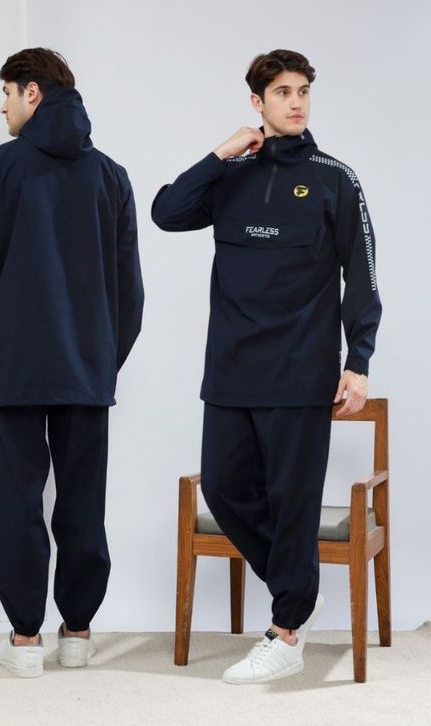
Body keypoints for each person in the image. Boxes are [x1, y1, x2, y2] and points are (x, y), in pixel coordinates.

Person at [152, 49, 381, 684]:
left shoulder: (336, 179)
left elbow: (362, 277)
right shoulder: (231, 176)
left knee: (292, 501)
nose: (296, 102)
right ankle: (296, 593)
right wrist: (220, 153)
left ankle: (286, 631)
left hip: (303, 371)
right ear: (257, 102)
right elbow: (167, 213)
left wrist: (358, 361)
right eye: (282, 91)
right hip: (231, 370)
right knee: (225, 489)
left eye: (303, 90)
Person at [0, 47, 143, 678]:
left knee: (15, 504)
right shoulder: (111, 176)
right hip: (86, 372)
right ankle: (78, 632)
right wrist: (103, 361)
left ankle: (26, 638)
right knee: (83, 504)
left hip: (13, 370)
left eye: (6, 93)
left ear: (32, 93)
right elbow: (130, 292)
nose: (1, 107)